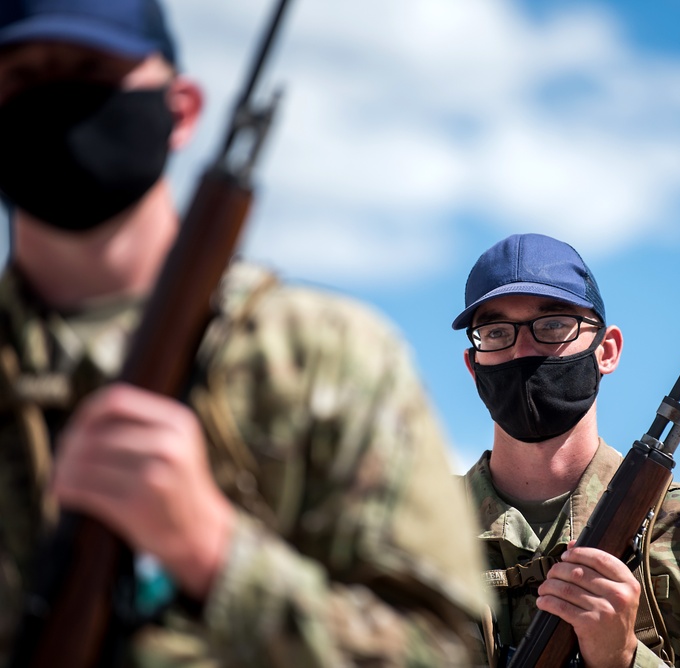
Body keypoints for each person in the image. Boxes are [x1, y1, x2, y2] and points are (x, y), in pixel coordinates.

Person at [0, 0, 490, 665]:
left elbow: (446, 652)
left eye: (91, 69)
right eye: (23, 76)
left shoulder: (328, 360)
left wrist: (215, 553)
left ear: (183, 109)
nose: (56, 99)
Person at [453, 233, 680, 668]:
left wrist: (625, 658)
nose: (523, 349)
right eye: (495, 332)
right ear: (475, 367)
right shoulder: (401, 531)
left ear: (606, 351)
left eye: (552, 326)